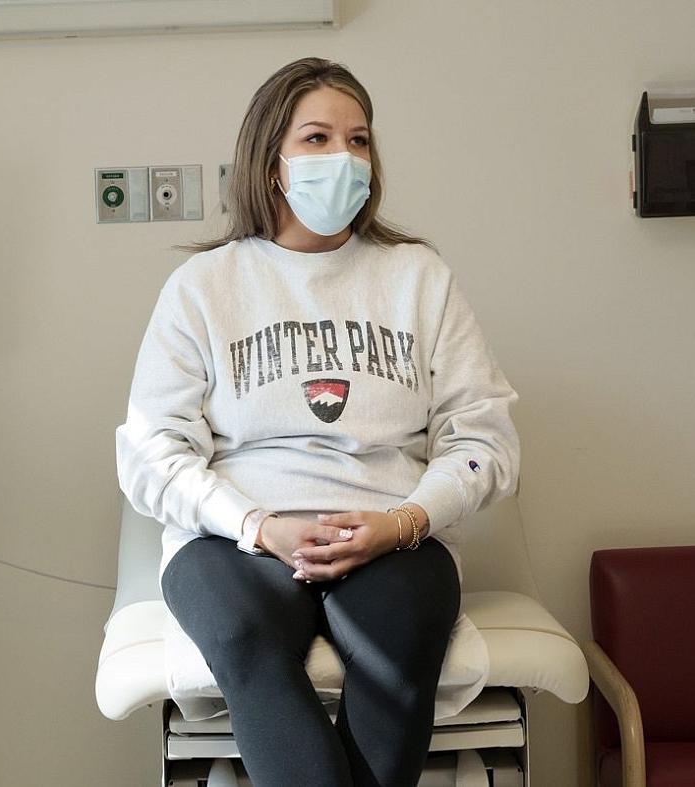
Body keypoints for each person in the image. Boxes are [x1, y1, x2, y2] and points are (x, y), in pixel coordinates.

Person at [116, 57, 519, 787]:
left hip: (394, 533)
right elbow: (151, 454)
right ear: (272, 163)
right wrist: (257, 525)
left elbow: (484, 438)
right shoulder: (203, 289)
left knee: (402, 638)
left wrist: (403, 522)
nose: (343, 157)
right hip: (235, 541)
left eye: (359, 140)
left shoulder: (419, 278)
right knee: (244, 638)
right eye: (317, 138)